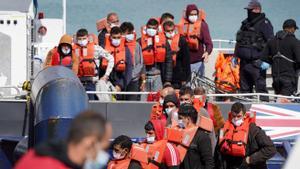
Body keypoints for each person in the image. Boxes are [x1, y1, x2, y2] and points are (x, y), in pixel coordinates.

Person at [15, 110, 112, 169]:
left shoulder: (36, 155)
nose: (104, 156)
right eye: (103, 148)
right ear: (90, 143)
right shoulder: (46, 165)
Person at [215, 102, 276, 169]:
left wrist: (250, 159)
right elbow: (218, 151)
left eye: (239, 116)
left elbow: (271, 149)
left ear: (244, 116)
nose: (236, 119)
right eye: (234, 116)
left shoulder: (254, 130)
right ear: (230, 115)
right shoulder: (223, 129)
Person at [234, 0, 274, 101]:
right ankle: (246, 112)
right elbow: (239, 41)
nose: (248, 12)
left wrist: (267, 60)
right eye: (248, 10)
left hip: (257, 63)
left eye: (250, 10)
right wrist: (235, 56)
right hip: (244, 63)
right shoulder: (245, 23)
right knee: (244, 90)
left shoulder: (265, 23)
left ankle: (264, 110)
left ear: (257, 10)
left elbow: (271, 43)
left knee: (261, 89)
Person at [261, 19, 300, 96]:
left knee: (278, 98)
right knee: (286, 102)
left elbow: (264, 58)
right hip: (288, 78)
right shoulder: (295, 41)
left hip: (275, 78)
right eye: (295, 29)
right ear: (292, 28)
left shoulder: (271, 41)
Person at [74, 28, 114, 100]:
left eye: (84, 38)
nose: (82, 41)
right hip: (77, 83)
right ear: (76, 39)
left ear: (87, 38)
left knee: (92, 104)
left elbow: (111, 58)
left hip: (92, 82)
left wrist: (106, 75)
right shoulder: (73, 50)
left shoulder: (96, 49)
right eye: (80, 39)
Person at [178, 4, 213, 77]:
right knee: (186, 87)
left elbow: (209, 43)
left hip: (198, 62)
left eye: (195, 14)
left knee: (198, 87)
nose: (193, 16)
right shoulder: (182, 25)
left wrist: (207, 52)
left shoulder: (202, 25)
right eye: (191, 14)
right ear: (187, 14)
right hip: (185, 63)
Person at [139, 18, 173, 93]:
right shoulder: (140, 42)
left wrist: (167, 80)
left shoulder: (164, 41)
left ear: (157, 29)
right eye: (150, 28)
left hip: (158, 76)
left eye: (154, 28)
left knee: (158, 99)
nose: (151, 30)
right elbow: (138, 62)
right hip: (144, 77)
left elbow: (169, 61)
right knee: (144, 99)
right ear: (146, 28)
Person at [177, 103, 214, 169]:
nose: (178, 121)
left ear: (188, 119)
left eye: (180, 118)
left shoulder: (202, 137)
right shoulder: (179, 134)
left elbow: (209, 163)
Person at [99, 26, 133, 95]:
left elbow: (129, 71)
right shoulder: (103, 49)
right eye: (114, 37)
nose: (116, 39)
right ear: (110, 37)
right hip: (105, 82)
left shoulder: (126, 50)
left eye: (118, 37)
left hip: (120, 83)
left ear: (121, 37)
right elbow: (98, 67)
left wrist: (120, 85)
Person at [120, 22, 146, 100]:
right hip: (122, 79)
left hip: (134, 79)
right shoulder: (119, 45)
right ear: (122, 34)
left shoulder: (137, 45)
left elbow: (141, 63)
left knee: (133, 101)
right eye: (128, 33)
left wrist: (133, 75)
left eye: (131, 33)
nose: (130, 35)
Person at [163, 21, 191, 89]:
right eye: (168, 31)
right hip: (165, 76)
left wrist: (185, 78)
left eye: (172, 30)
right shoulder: (161, 41)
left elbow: (186, 61)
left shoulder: (182, 41)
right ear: (164, 31)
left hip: (179, 76)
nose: (170, 32)